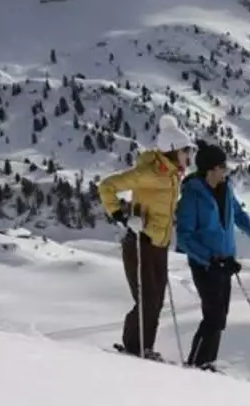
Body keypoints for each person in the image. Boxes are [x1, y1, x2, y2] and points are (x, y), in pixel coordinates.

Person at [98, 114, 195, 360]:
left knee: (156, 300)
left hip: (159, 244)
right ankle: (134, 347)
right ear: (173, 150)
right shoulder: (148, 173)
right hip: (139, 241)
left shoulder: (173, 175)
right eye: (186, 151)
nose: (189, 157)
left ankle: (144, 347)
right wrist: (120, 215)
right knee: (147, 299)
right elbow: (106, 185)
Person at [175, 139, 250, 370]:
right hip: (205, 264)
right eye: (222, 167)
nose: (225, 171)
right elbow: (184, 237)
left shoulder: (225, 190)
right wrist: (211, 259)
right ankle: (196, 366)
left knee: (220, 318)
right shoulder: (192, 196)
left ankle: (207, 364)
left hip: (225, 263)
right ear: (210, 169)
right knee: (213, 316)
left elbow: (239, 216)